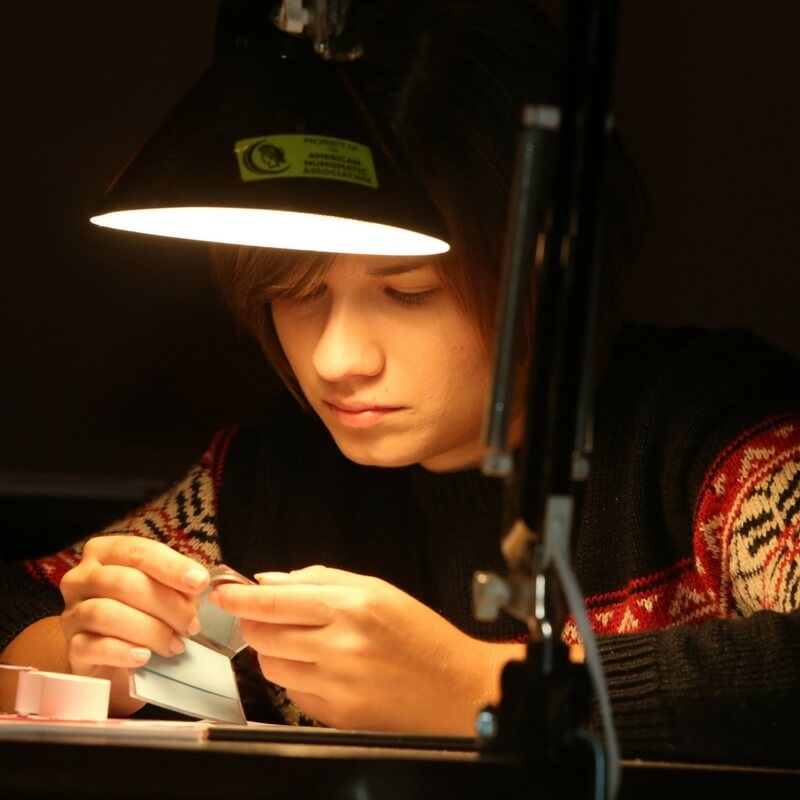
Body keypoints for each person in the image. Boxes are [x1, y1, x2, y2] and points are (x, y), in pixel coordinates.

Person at [2, 0, 800, 767]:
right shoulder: (265, 480)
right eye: (300, 292)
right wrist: (81, 656)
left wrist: (476, 689)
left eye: (410, 291)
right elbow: (23, 611)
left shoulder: (710, 441)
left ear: (542, 269)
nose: (337, 358)